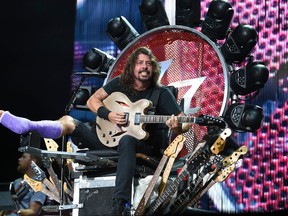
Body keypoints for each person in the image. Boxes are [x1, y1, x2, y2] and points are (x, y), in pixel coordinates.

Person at [0, 46, 189, 215]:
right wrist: (109, 115)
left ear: (153, 68)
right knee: (70, 122)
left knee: (128, 139)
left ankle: (120, 203)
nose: (144, 67)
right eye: (140, 63)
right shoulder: (119, 83)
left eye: (148, 64)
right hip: (108, 139)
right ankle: (27, 125)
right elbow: (92, 101)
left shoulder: (161, 93)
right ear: (132, 67)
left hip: (140, 147)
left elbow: (183, 123)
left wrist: (178, 126)